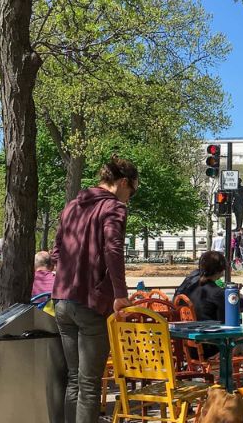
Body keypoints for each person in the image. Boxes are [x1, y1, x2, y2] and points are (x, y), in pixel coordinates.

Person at [52, 156, 137, 423]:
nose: (130, 197)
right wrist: (120, 293)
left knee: (74, 380)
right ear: (123, 182)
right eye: (132, 190)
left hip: (62, 299)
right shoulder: (113, 208)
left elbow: (56, 252)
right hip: (90, 303)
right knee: (89, 385)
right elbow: (113, 249)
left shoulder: (72, 206)